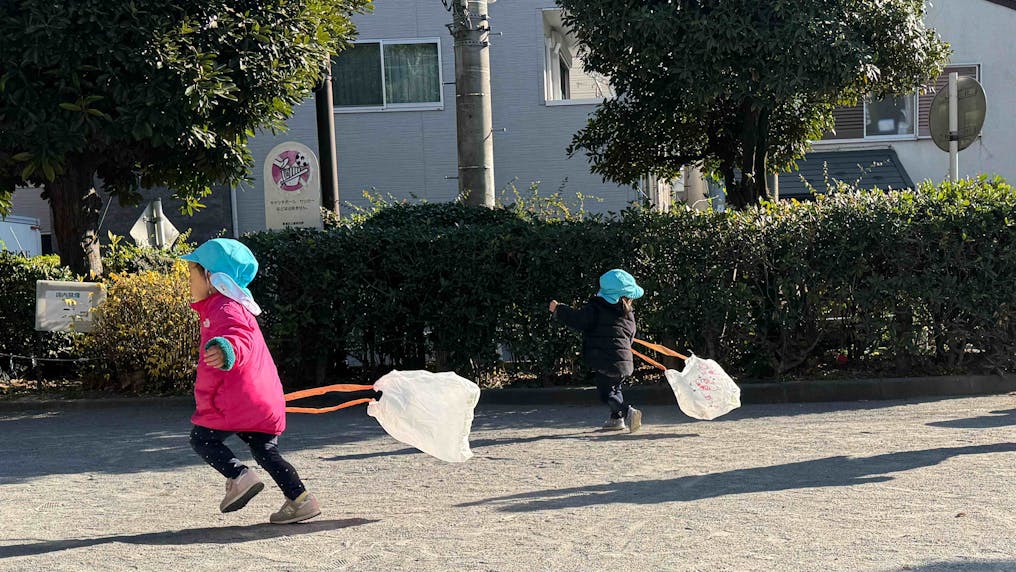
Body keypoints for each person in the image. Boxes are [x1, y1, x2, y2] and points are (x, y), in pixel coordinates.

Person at [183, 238, 320, 524]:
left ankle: (239, 476)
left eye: (191, 274)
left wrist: (226, 349)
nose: (188, 282)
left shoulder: (224, 308)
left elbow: (238, 336)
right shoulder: (228, 306)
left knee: (202, 438)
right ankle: (301, 499)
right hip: (261, 399)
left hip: (237, 399)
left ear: (210, 277)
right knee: (265, 450)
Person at [549, 269, 644, 433]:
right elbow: (631, 334)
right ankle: (616, 419)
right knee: (615, 389)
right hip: (623, 360)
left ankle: (628, 412)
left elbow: (579, 320)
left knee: (606, 394)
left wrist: (559, 310)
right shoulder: (627, 313)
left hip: (603, 358)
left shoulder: (596, 307)